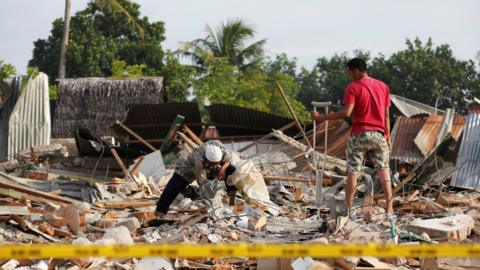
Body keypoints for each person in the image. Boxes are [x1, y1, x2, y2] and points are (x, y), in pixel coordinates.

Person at [311, 57, 394, 218]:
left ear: (355, 71)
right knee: (384, 171)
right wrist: (388, 136)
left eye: (349, 72)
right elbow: (386, 115)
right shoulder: (383, 87)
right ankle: (390, 209)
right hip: (379, 134)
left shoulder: (353, 87)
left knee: (353, 172)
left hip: (360, 134)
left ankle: (349, 210)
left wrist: (321, 118)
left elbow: (346, 113)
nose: (348, 76)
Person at [154, 140, 237, 217]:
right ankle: (160, 212)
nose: (214, 165)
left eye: (216, 163)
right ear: (206, 159)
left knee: (231, 170)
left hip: (210, 168)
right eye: (212, 164)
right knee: (172, 187)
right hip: (188, 169)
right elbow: (202, 180)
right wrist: (208, 195)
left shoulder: (218, 146)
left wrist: (222, 169)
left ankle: (232, 201)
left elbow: (228, 159)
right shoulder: (198, 157)